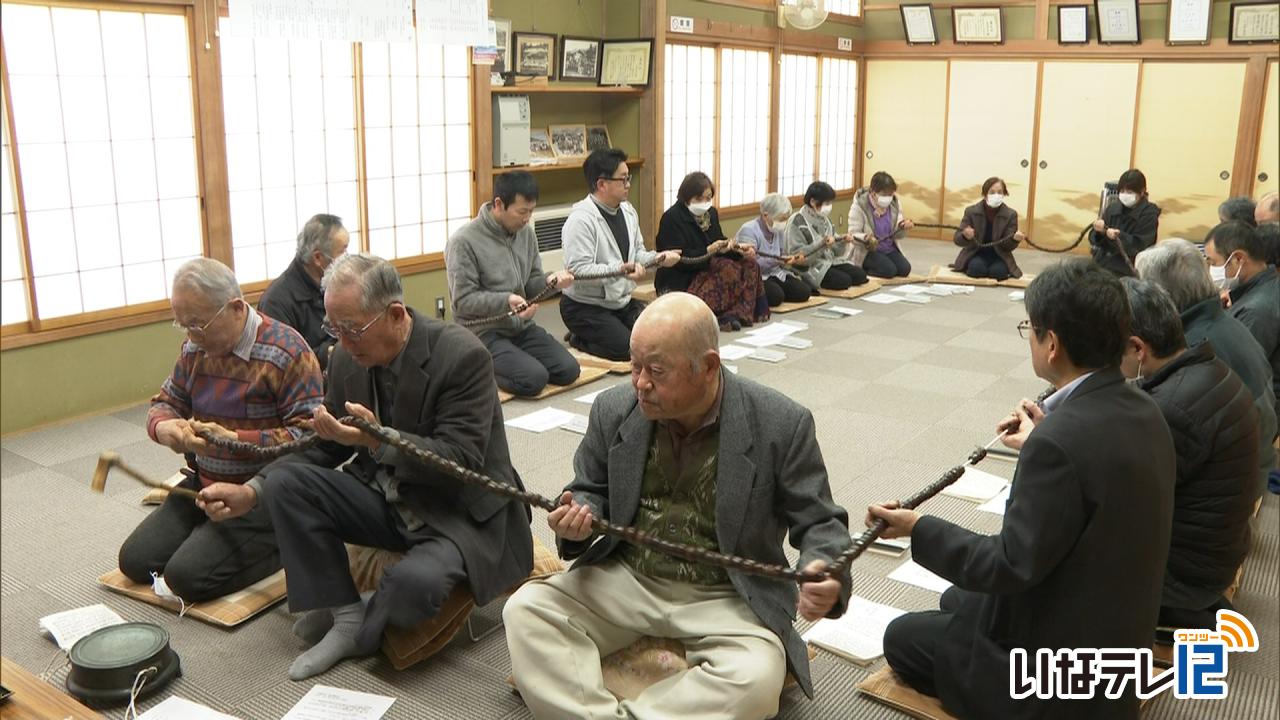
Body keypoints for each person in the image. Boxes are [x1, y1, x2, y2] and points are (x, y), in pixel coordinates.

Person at [504, 292, 853, 720]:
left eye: (656, 371)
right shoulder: (615, 408)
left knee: (757, 678)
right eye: (634, 367)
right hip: (628, 576)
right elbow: (589, 486)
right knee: (526, 611)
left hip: (724, 591)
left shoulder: (780, 423)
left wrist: (826, 569)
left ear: (708, 366)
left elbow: (820, 522)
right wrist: (580, 516)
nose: (640, 383)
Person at [198, 254, 534, 680]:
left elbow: (461, 461)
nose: (342, 340)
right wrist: (252, 492)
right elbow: (325, 447)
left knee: (413, 589)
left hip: (459, 508)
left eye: (351, 329)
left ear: (395, 314)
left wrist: (380, 440)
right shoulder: (344, 358)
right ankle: (345, 614)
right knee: (285, 482)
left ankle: (363, 622)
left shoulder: (462, 355)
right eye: (332, 328)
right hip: (389, 493)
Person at [872, 259, 1176, 720]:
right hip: (1117, 630)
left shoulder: (1059, 441)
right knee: (958, 601)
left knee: (902, 636)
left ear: (1051, 343)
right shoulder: (1144, 408)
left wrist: (917, 528)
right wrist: (1043, 440)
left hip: (1060, 679)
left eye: (1029, 329)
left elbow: (1009, 565)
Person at [118, 258, 324, 602]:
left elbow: (310, 439)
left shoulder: (288, 351)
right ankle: (212, 536)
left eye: (198, 325)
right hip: (204, 483)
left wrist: (236, 441)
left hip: (259, 492)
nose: (190, 336)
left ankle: (289, 538)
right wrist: (166, 428)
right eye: (182, 325)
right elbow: (166, 401)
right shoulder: (194, 348)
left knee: (185, 578)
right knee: (136, 562)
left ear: (236, 308)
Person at [1117, 277, 1259, 633]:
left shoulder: (1172, 408)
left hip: (1184, 578)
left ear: (1137, 348)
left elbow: (1114, 498)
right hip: (1213, 550)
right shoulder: (1206, 368)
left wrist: (1046, 445)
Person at [1136, 239, 1276, 492]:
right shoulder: (1222, 322)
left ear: (1159, 296)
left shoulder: (1191, 346)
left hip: (1230, 486)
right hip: (1252, 466)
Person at [446, 171, 580, 397]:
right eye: (522, 212)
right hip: (483, 332)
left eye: (531, 211)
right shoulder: (463, 241)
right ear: (499, 204)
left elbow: (531, 285)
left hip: (520, 327)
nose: (527, 218)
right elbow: (463, 302)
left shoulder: (525, 234)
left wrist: (551, 282)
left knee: (568, 370)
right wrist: (507, 301)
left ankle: (512, 358)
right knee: (533, 379)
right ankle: (473, 366)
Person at [560, 148, 681, 360]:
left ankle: (600, 333)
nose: (628, 184)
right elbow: (578, 271)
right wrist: (620, 270)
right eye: (623, 179)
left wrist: (659, 258)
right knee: (628, 351)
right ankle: (579, 338)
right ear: (601, 184)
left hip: (620, 300)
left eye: (628, 178)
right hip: (585, 306)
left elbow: (637, 255)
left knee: (659, 339)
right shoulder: (580, 220)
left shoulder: (627, 211)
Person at [656, 171, 768, 331]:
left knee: (749, 263)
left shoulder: (711, 214)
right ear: (686, 197)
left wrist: (737, 249)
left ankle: (737, 313)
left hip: (709, 265)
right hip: (682, 275)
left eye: (708, 198)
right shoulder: (671, 218)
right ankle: (712, 315)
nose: (704, 202)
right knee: (726, 269)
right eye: (699, 199)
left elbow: (719, 240)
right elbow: (677, 259)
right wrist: (708, 249)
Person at [259, 214, 351, 371]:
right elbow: (281, 362)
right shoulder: (276, 301)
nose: (347, 258)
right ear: (317, 258)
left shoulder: (341, 282)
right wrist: (329, 353)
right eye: (343, 252)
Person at [1205, 220, 1280, 401]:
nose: (1210, 269)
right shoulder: (1265, 286)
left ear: (1238, 259)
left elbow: (1236, 373)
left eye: (1213, 262)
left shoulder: (1257, 310)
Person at [786, 181, 867, 292]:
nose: (829, 206)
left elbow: (837, 252)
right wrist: (822, 244)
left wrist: (843, 241)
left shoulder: (825, 219)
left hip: (829, 261)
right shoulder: (797, 221)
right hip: (810, 266)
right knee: (844, 281)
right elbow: (797, 255)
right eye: (826, 203)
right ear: (813, 202)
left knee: (860, 275)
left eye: (830, 203)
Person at [736, 192, 810, 307]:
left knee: (804, 292)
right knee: (776, 296)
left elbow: (782, 255)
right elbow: (750, 265)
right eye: (781, 219)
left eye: (785, 219)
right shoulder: (749, 230)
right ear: (765, 215)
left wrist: (792, 259)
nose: (783, 223)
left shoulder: (778, 230)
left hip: (775, 273)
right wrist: (777, 261)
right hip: (756, 276)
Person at [950, 176, 1026, 281]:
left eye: (1000, 192)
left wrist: (1014, 240)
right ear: (985, 194)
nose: (996, 195)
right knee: (976, 270)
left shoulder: (1011, 215)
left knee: (999, 273)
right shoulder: (971, 211)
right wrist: (965, 236)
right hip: (975, 252)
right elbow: (957, 240)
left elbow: (1007, 247)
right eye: (992, 192)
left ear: (1004, 194)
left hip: (1000, 254)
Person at [1091, 168, 1160, 276]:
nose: (1124, 195)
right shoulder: (1112, 208)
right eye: (1122, 191)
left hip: (1129, 269)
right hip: (1104, 262)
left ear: (1142, 192)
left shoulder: (1149, 215)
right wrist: (1098, 231)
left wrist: (1118, 236)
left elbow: (1139, 246)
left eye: (1129, 192)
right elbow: (1095, 240)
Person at [848, 171, 915, 279]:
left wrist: (903, 226)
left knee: (904, 269)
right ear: (873, 193)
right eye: (884, 195)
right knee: (889, 271)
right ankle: (864, 269)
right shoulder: (859, 206)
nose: (888, 198)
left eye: (891, 194)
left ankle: (883, 263)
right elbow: (852, 234)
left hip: (889, 248)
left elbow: (898, 232)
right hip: (868, 251)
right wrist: (866, 237)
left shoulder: (894, 204)